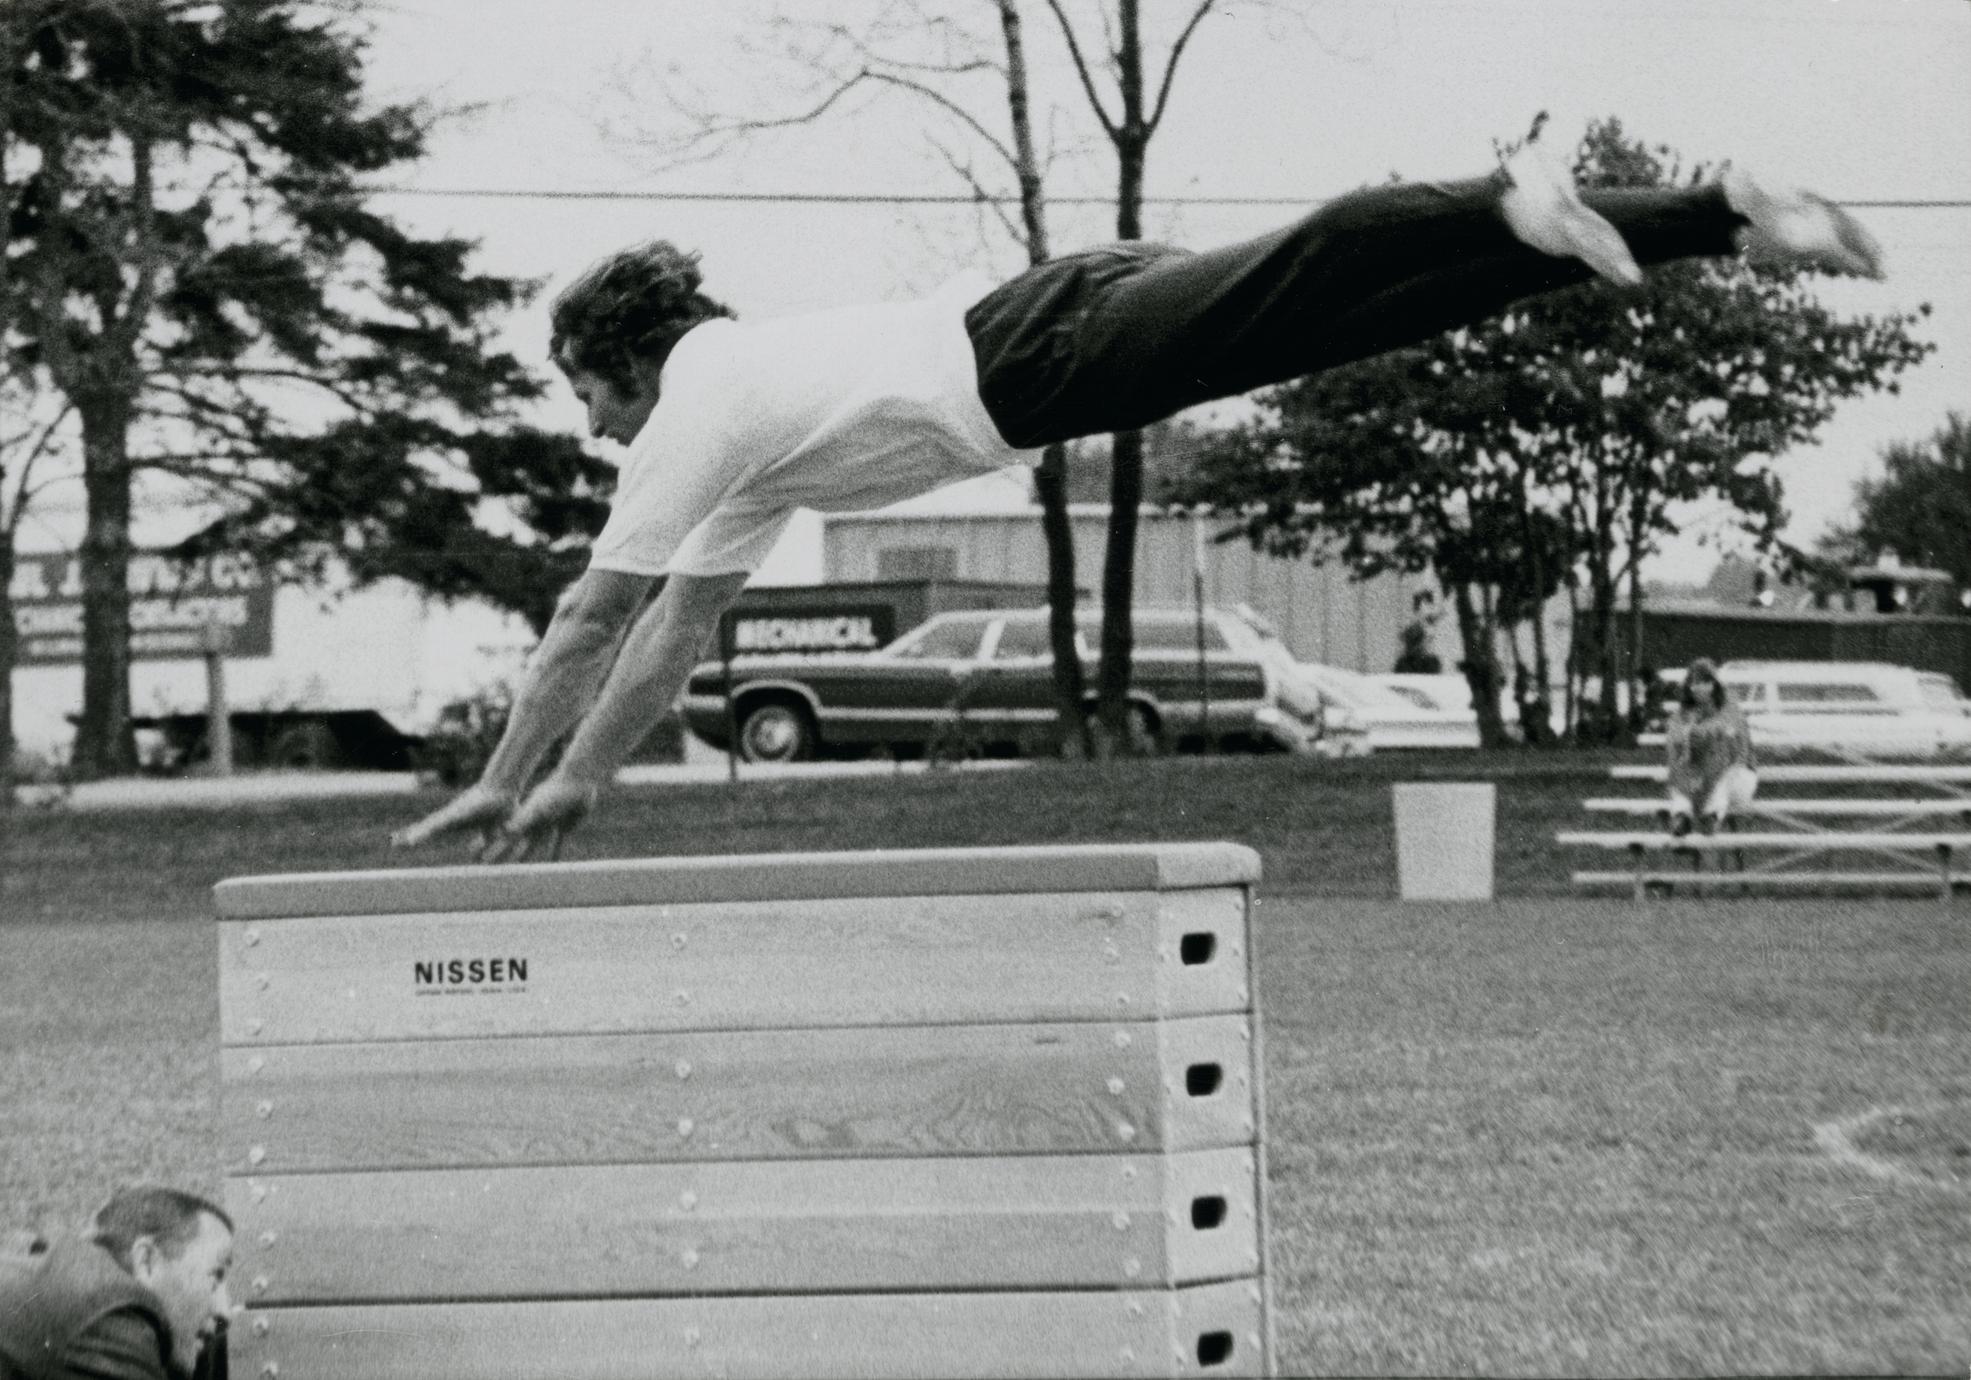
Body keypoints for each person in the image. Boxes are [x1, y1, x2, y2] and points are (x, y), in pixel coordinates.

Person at [390, 120, 1883, 861]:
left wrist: (501, 773)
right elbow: (667, 635)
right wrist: (580, 778)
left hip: (1033, 351)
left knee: (1305, 275)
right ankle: (1717, 216)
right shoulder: (734, 437)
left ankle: (1498, 193)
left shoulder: (689, 405)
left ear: (611, 357)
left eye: (579, 392)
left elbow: (589, 622)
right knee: (1365, 315)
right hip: (1053, 337)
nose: (587, 426)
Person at [0, 1186, 233, 1380]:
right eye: (215, 1276)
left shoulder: (60, 1280)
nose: (224, 1311)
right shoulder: (111, 1307)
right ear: (146, 1260)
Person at [1665, 657, 1759, 837]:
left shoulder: (1730, 708)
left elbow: (1736, 753)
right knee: (1680, 781)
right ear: (1688, 686)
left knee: (1724, 776)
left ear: (1714, 684)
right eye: (1694, 683)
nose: (1699, 687)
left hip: (1737, 777)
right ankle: (1680, 817)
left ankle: (1712, 818)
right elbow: (1675, 754)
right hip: (1697, 780)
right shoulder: (1680, 715)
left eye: (1705, 682)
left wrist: (1700, 733)